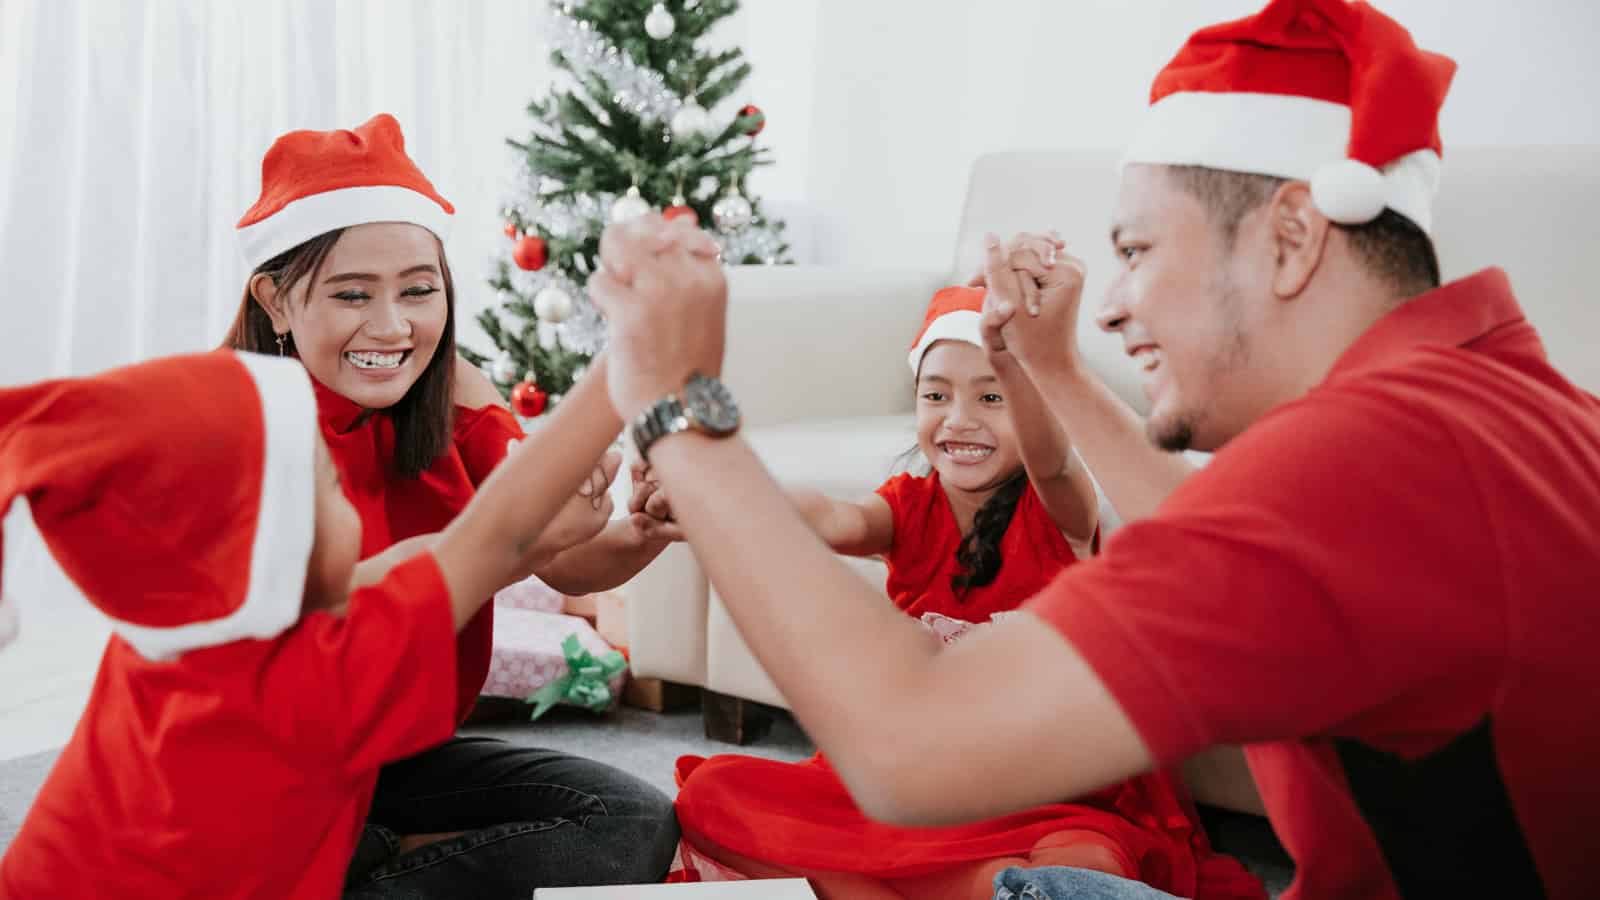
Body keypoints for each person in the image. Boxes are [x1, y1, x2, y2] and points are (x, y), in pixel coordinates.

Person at [582, 1, 1600, 898]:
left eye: (1137, 251)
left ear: (1291, 239)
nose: (1112, 307)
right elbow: (1222, 542)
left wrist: (679, 413)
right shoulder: (1504, 397)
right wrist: (1050, 369)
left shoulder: (1360, 460)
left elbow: (916, 745)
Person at [649, 287, 1261, 898]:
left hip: (1048, 797)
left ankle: (924, 886)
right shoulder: (908, 507)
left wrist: (1028, 360)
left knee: (1077, 865)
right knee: (713, 794)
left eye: (991, 397)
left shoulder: (1060, 508)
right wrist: (722, 493)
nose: (959, 419)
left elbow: (1051, 463)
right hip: (922, 788)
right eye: (935, 395)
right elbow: (832, 518)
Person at [221, 114, 678, 896]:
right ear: (276, 300)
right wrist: (519, 542)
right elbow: (349, 608)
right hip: (264, 766)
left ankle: (373, 856)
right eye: (352, 293)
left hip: (396, 758)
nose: (392, 326)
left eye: (419, 290)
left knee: (631, 820)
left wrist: (641, 531)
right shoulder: (232, 423)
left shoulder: (457, 389)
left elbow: (566, 553)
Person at [0, 346, 623, 899]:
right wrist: (631, 362)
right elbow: (496, 539)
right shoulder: (316, 679)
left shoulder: (165, 643)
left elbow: (421, 560)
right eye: (328, 481)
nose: (348, 493)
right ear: (273, 539)